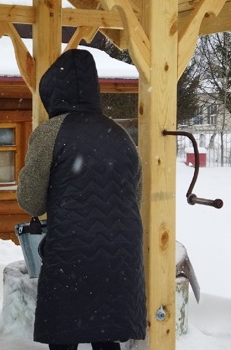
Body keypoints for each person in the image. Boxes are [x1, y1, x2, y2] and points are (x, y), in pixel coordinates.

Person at [17, 49, 146, 350]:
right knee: (106, 335)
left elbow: (31, 202)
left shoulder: (50, 132)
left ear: (52, 94)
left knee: (65, 335)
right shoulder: (121, 134)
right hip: (121, 254)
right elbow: (133, 197)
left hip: (71, 252)